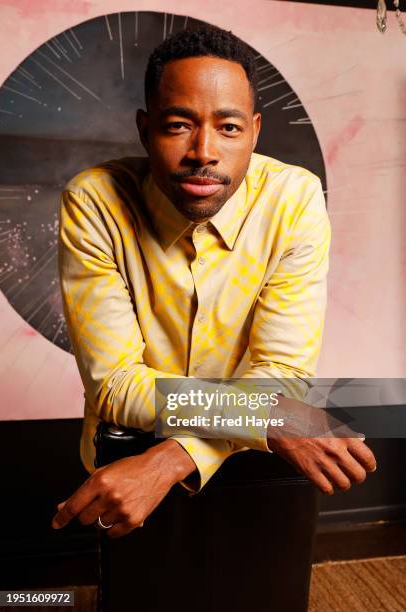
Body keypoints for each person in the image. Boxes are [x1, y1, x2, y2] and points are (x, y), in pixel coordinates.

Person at [52, 24, 376, 539]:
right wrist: (271, 417)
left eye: (228, 128)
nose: (204, 150)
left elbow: (280, 375)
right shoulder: (94, 201)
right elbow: (115, 384)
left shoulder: (293, 200)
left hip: (253, 460)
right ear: (144, 129)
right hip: (125, 455)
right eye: (179, 124)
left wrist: (174, 457)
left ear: (255, 131)